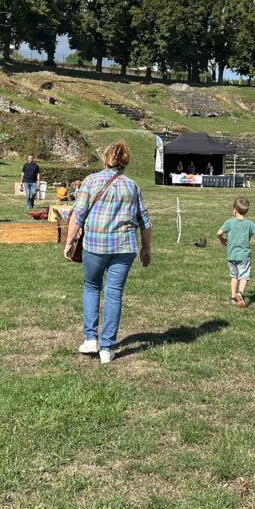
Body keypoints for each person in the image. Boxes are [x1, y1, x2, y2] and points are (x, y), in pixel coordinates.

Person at [64, 140, 152, 365]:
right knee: (114, 293)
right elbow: (145, 222)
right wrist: (146, 248)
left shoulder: (91, 181)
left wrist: (69, 242)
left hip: (95, 244)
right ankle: (107, 346)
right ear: (126, 161)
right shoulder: (132, 186)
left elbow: (78, 214)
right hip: (124, 247)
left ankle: (90, 338)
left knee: (92, 287)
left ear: (106, 158)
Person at [217, 197, 255, 307]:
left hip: (231, 255)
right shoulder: (249, 224)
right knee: (244, 276)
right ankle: (240, 293)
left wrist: (222, 240)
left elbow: (219, 233)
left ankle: (233, 297)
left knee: (234, 276)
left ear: (234, 210)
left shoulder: (229, 222)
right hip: (244, 256)